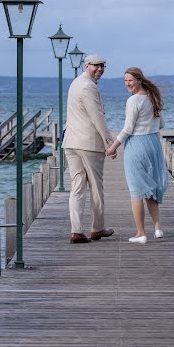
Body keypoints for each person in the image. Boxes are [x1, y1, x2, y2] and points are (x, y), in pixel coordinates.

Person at [106, 67, 168, 244]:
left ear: (139, 80)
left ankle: (140, 233)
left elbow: (128, 129)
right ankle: (157, 228)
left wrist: (113, 147)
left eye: (130, 80)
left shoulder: (134, 100)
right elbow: (161, 123)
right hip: (153, 144)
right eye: (125, 81)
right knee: (151, 188)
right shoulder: (153, 98)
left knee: (136, 190)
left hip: (137, 144)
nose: (127, 84)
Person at [63, 55, 116, 244]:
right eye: (96, 66)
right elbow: (97, 118)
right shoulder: (88, 86)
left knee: (77, 187)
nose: (100, 69)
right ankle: (97, 228)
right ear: (86, 66)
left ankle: (76, 231)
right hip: (88, 143)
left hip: (71, 142)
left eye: (103, 66)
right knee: (96, 186)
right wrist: (109, 143)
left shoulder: (75, 83)